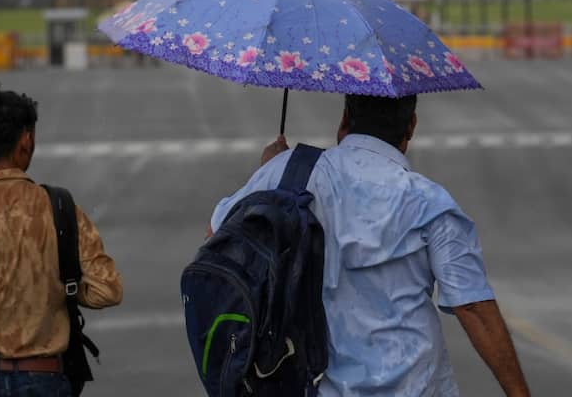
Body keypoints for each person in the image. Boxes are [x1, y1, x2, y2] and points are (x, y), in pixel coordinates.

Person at [210, 94, 530, 396]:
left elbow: (218, 241)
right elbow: (474, 309)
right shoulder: (429, 202)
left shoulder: (289, 173)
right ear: (411, 126)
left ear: (344, 119)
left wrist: (267, 174)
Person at [0, 84, 123, 396]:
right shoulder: (61, 208)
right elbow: (107, 290)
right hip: (46, 378)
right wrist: (61, 289)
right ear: (26, 140)